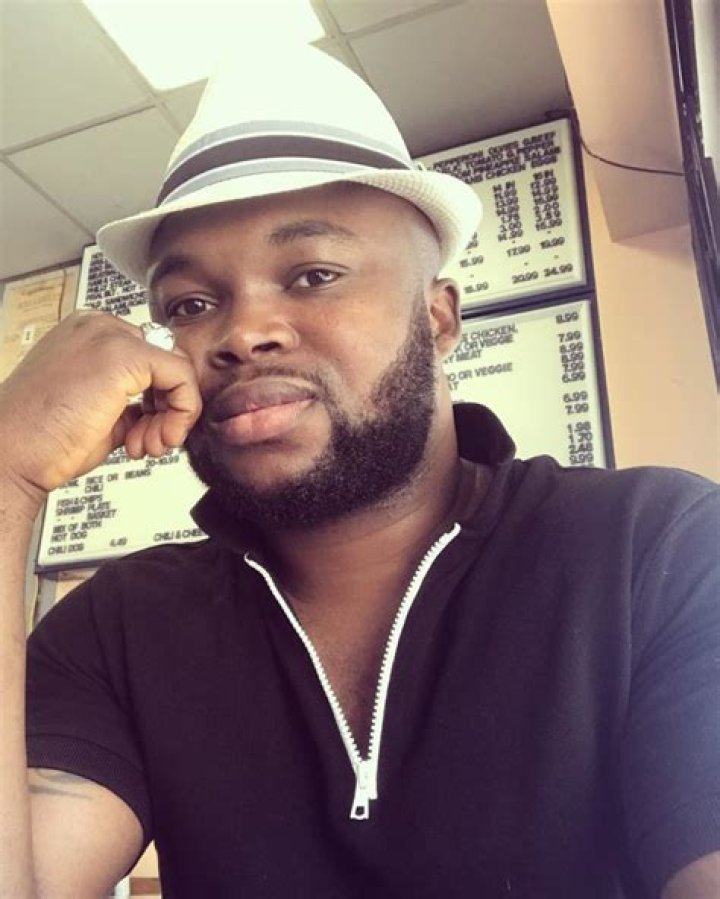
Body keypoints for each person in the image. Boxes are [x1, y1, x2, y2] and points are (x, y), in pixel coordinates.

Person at [1, 47, 718, 899]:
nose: (243, 332)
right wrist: (7, 475)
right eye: (191, 304)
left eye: (313, 275)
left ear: (438, 319)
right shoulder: (119, 624)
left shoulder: (654, 549)